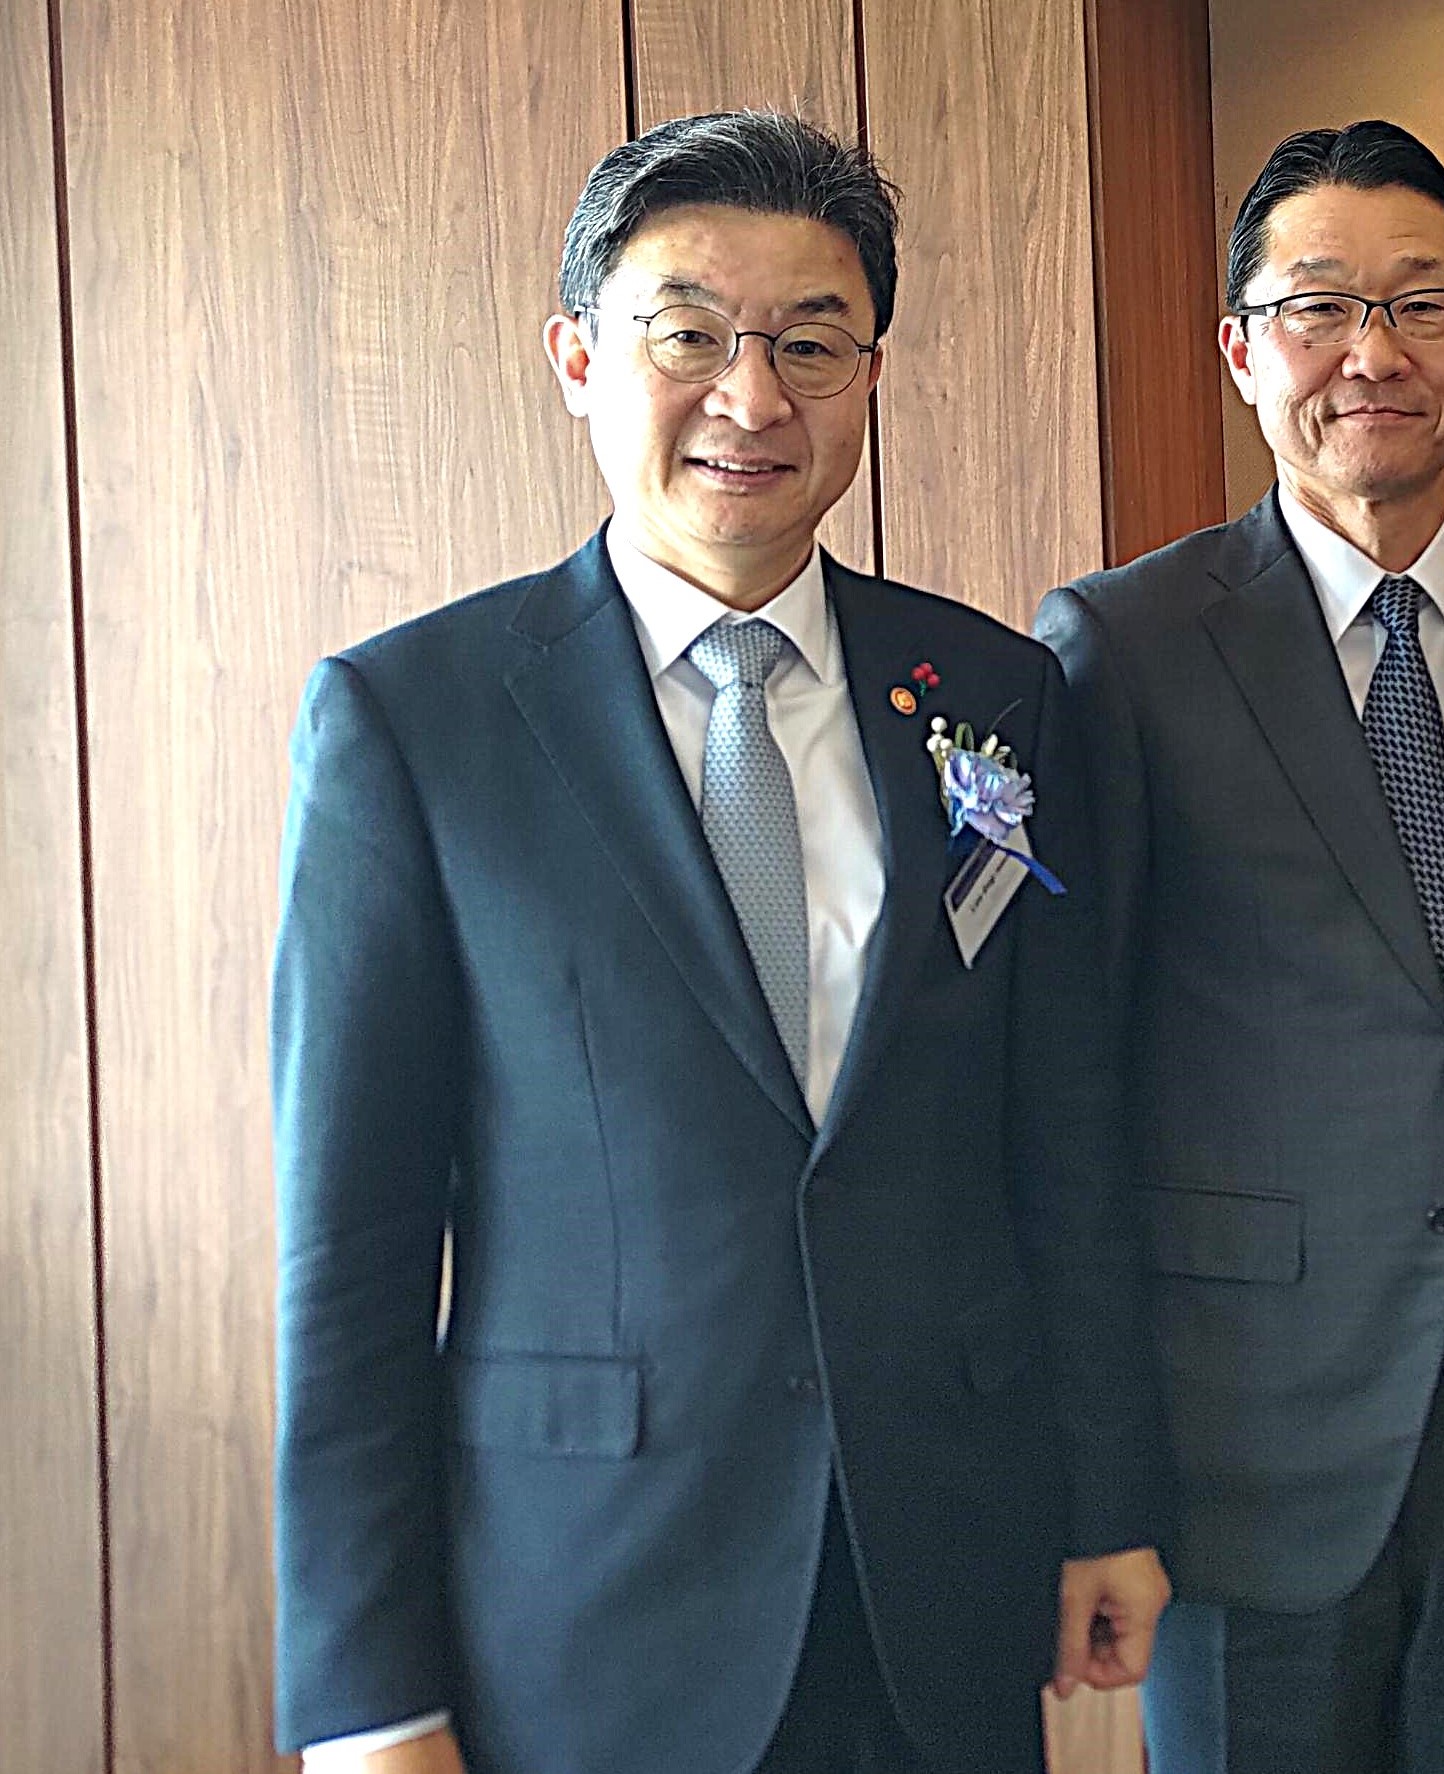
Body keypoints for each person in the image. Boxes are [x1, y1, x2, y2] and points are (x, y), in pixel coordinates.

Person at [272, 109, 1170, 1774]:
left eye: (811, 344)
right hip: (593, 1597)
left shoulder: (991, 694)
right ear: (578, 358)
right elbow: (353, 1246)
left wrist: (1108, 1497)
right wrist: (363, 1697)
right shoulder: (416, 721)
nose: (752, 400)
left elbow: (1064, 1137)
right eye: (688, 335)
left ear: (869, 375)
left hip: (939, 1575)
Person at [1035, 119, 1444, 1774]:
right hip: (1240, 1413)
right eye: (1319, 306)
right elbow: (1075, 1067)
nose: (1373, 354)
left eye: (1422, 304)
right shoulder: (1124, 643)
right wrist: (1097, 1444)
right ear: (1242, 349)